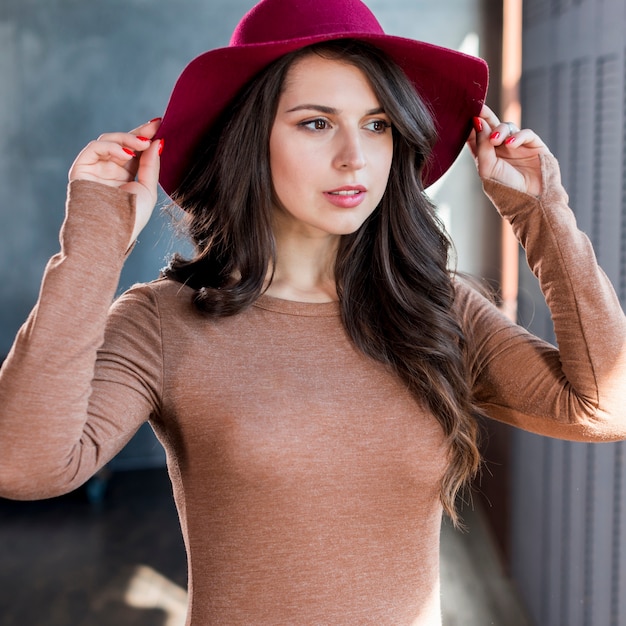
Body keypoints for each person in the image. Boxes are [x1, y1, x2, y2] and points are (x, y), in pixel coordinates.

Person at [0, 0, 625, 623]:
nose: (355, 156)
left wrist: (543, 213)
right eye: (316, 123)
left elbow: (606, 406)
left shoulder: (433, 307)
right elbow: (23, 466)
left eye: (377, 124)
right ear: (250, 137)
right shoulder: (163, 322)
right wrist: (93, 243)